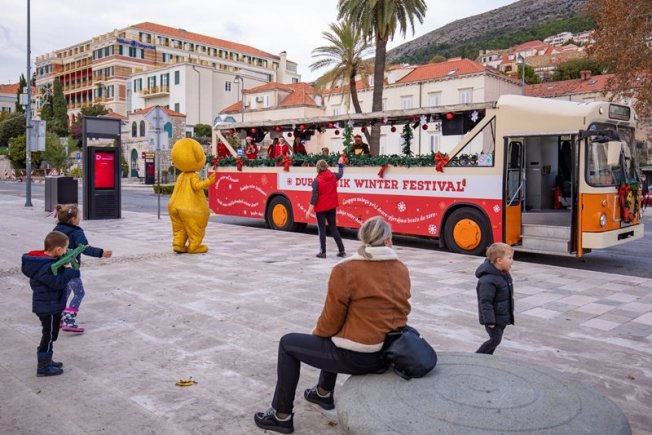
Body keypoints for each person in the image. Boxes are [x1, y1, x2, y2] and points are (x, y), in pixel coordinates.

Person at [253, 216, 411, 434]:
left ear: (363, 238)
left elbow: (330, 321)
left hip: (358, 357)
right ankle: (323, 392)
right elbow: (403, 310)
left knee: (289, 344)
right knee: (332, 335)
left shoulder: (346, 270)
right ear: (387, 240)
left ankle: (281, 415)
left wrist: (318, 335)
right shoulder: (401, 268)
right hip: (389, 353)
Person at [21, 231, 81, 376]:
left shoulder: (43, 262)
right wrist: (70, 270)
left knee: (49, 335)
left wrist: (63, 265)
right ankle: (43, 367)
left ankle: (47, 360)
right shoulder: (45, 267)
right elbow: (57, 282)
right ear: (58, 249)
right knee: (49, 335)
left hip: (48, 305)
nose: (66, 252)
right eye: (65, 249)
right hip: (49, 307)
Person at [53, 204, 112, 333]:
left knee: (65, 291)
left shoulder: (56, 230)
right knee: (79, 293)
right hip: (71, 269)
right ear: (73, 219)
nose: (80, 218)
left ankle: (58, 318)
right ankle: (69, 321)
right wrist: (101, 252)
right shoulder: (77, 232)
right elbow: (85, 248)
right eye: (79, 216)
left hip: (58, 268)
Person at [475, 242, 514, 355]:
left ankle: (487, 357)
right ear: (499, 260)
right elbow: (485, 302)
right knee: (495, 339)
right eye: (509, 258)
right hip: (493, 319)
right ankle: (477, 356)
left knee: (496, 340)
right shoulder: (488, 280)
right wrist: (490, 321)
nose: (512, 261)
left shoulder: (504, 274)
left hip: (501, 317)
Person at [305, 159, 346, 258]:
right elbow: (340, 174)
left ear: (318, 168)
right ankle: (342, 250)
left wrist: (309, 211)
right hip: (331, 207)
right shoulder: (333, 176)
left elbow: (314, 198)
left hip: (321, 209)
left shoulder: (316, 181)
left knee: (322, 230)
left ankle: (323, 252)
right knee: (333, 228)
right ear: (326, 166)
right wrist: (340, 165)